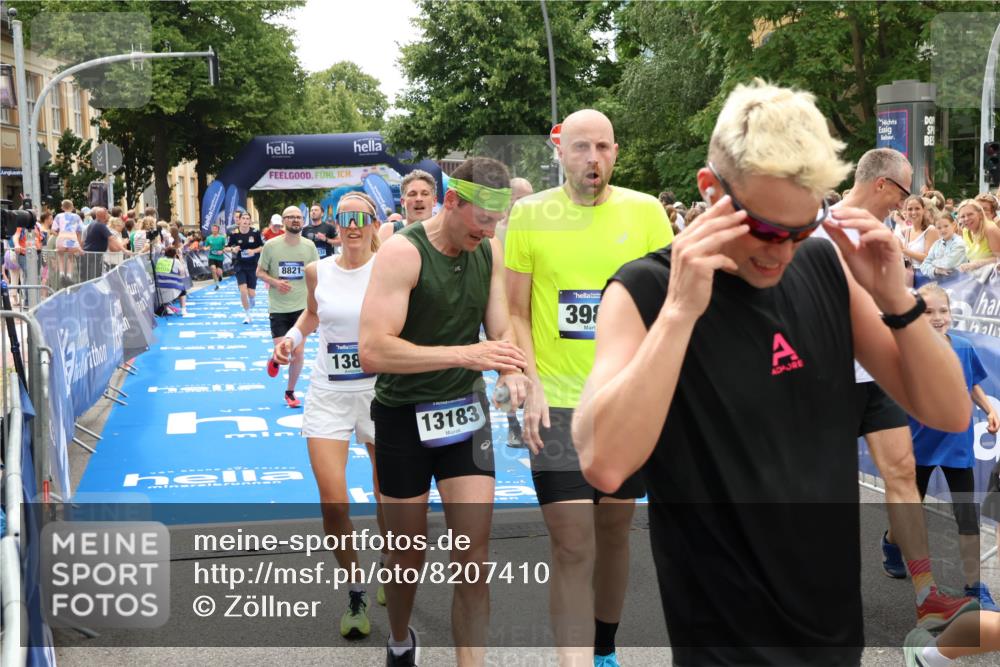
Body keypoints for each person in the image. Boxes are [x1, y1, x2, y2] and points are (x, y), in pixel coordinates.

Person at [572, 79, 972, 666]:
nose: (778, 252)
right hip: (723, 645)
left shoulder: (823, 266)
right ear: (710, 189)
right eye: (762, 227)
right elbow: (603, 461)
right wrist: (681, 313)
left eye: (799, 228)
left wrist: (895, 299)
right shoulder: (648, 291)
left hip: (832, 633)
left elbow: (948, 411)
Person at [506, 109, 673, 667]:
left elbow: (667, 308)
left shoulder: (647, 214)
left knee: (615, 530)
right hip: (555, 402)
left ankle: (605, 646)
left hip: (626, 402)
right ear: (561, 153)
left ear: (616, 152)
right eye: (580, 147)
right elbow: (515, 312)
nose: (592, 158)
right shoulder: (530, 215)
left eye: (602, 147)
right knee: (573, 543)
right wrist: (527, 382)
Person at [359, 157, 530, 667]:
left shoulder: (490, 251)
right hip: (402, 416)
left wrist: (510, 370)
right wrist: (464, 353)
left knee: (473, 559)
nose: (488, 230)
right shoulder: (401, 254)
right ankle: (399, 640)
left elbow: (500, 329)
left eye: (496, 221)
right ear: (451, 202)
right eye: (481, 219)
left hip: (464, 412)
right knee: (408, 556)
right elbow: (373, 351)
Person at [272, 192, 386, 639]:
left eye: (361, 218)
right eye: (345, 218)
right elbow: (312, 315)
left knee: (387, 498)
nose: (353, 225)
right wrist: (292, 340)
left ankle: (393, 567)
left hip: (380, 393)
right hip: (328, 394)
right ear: (335, 225)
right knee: (333, 501)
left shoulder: (389, 268)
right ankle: (356, 590)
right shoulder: (317, 270)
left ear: (374, 223)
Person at [907, 282, 999, 610]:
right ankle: (892, 545)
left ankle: (974, 587)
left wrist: (989, 408)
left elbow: (972, 381)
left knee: (967, 518)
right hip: (917, 448)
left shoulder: (963, 347)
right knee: (907, 515)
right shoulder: (905, 352)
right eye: (928, 311)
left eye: (943, 310)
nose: (937, 317)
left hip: (957, 447)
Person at [257, 206, 319, 408]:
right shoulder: (271, 246)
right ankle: (275, 358)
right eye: (291, 217)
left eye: (298, 217)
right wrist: (275, 282)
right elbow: (260, 272)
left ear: (303, 221)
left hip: (302, 307)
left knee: (298, 352)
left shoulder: (309, 246)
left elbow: (316, 273)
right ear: (283, 221)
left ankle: (290, 392)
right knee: (283, 349)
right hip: (279, 307)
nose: (295, 220)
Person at [377, 170, 438, 242]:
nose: (419, 199)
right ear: (402, 202)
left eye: (425, 194)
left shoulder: (445, 233)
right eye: (412, 194)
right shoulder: (388, 231)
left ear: (434, 201)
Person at [227, 212, 265, 324]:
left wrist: (253, 251)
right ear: (239, 220)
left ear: (250, 221)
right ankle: (247, 315)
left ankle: (252, 299)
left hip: (253, 265)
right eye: (243, 218)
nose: (245, 220)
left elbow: (262, 247)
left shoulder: (255, 233)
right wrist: (232, 250)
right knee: (243, 291)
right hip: (240, 264)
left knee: (251, 293)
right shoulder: (234, 234)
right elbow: (227, 247)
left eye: (247, 218)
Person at [957, 199, 1000, 274]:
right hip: (977, 276)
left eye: (970, 214)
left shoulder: (990, 229)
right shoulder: (965, 230)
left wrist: (977, 263)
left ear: (980, 214)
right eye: (962, 216)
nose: (966, 219)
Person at [899, 195, 939, 274]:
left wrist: (904, 250)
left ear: (923, 210)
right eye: (910, 209)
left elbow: (929, 258)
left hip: (926, 277)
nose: (913, 212)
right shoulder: (907, 231)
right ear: (906, 211)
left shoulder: (931, 230)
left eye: (917, 208)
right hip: (911, 277)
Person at [920, 214, 968, 279]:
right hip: (940, 283)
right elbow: (923, 265)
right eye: (939, 228)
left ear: (953, 224)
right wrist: (935, 270)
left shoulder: (959, 243)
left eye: (946, 226)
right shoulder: (936, 244)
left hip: (958, 282)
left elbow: (948, 264)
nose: (942, 230)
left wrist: (932, 263)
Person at [52, 199, 84, 283]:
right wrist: (79, 245)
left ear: (62, 207)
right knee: (71, 257)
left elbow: (53, 230)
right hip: (72, 239)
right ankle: (69, 275)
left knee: (60, 255)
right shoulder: (77, 217)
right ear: (72, 207)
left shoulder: (58, 216)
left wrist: (59, 235)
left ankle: (61, 273)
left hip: (61, 238)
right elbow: (80, 230)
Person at [205, 224, 227, 289]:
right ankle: (217, 284)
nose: (214, 230)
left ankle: (220, 276)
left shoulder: (222, 238)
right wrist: (206, 248)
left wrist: (222, 251)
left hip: (219, 257)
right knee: (213, 269)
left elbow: (225, 247)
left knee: (219, 272)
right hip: (211, 256)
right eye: (213, 228)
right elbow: (206, 247)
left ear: (218, 230)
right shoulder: (208, 238)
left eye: (215, 228)